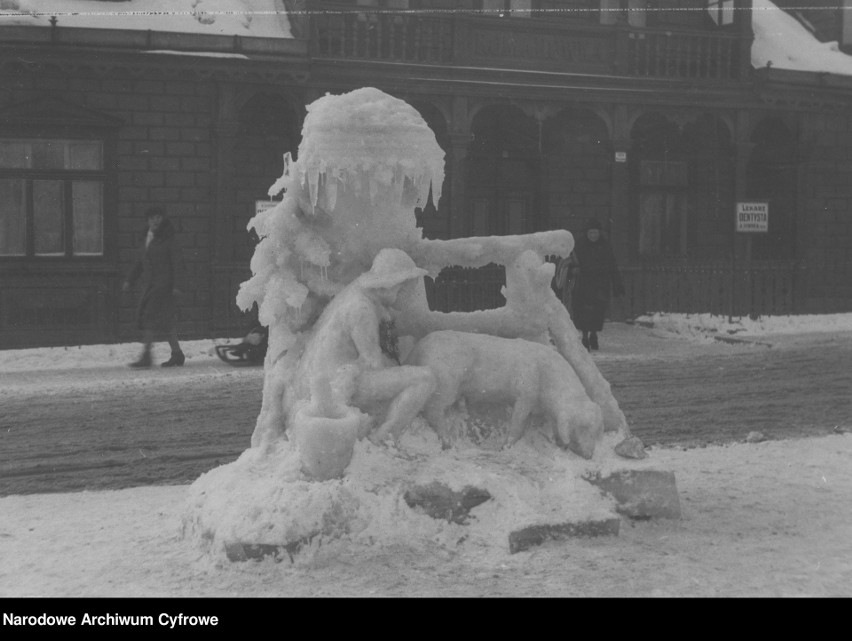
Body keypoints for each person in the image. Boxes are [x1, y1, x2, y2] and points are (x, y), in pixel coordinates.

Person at [298, 248, 437, 445]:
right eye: (401, 287)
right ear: (389, 284)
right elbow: (373, 362)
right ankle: (385, 436)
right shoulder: (362, 309)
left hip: (341, 377)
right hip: (341, 385)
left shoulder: (365, 300)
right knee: (424, 378)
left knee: (409, 375)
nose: (403, 293)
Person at [122, 207, 186, 368]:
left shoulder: (169, 239)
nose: (155, 221)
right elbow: (140, 262)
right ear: (147, 221)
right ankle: (177, 354)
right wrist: (130, 280)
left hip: (164, 286)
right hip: (151, 285)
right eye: (151, 218)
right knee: (167, 322)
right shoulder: (147, 237)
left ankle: (146, 356)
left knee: (150, 318)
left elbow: (177, 264)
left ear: (163, 219)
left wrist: (177, 286)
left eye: (158, 217)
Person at [562, 218, 625, 351]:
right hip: (583, 283)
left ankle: (594, 334)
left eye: (595, 233)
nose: (593, 235)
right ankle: (584, 336)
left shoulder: (605, 246)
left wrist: (617, 284)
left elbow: (612, 265)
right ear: (586, 233)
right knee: (582, 311)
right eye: (590, 233)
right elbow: (570, 264)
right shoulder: (579, 245)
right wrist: (572, 272)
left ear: (599, 233)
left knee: (598, 311)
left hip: (600, 284)